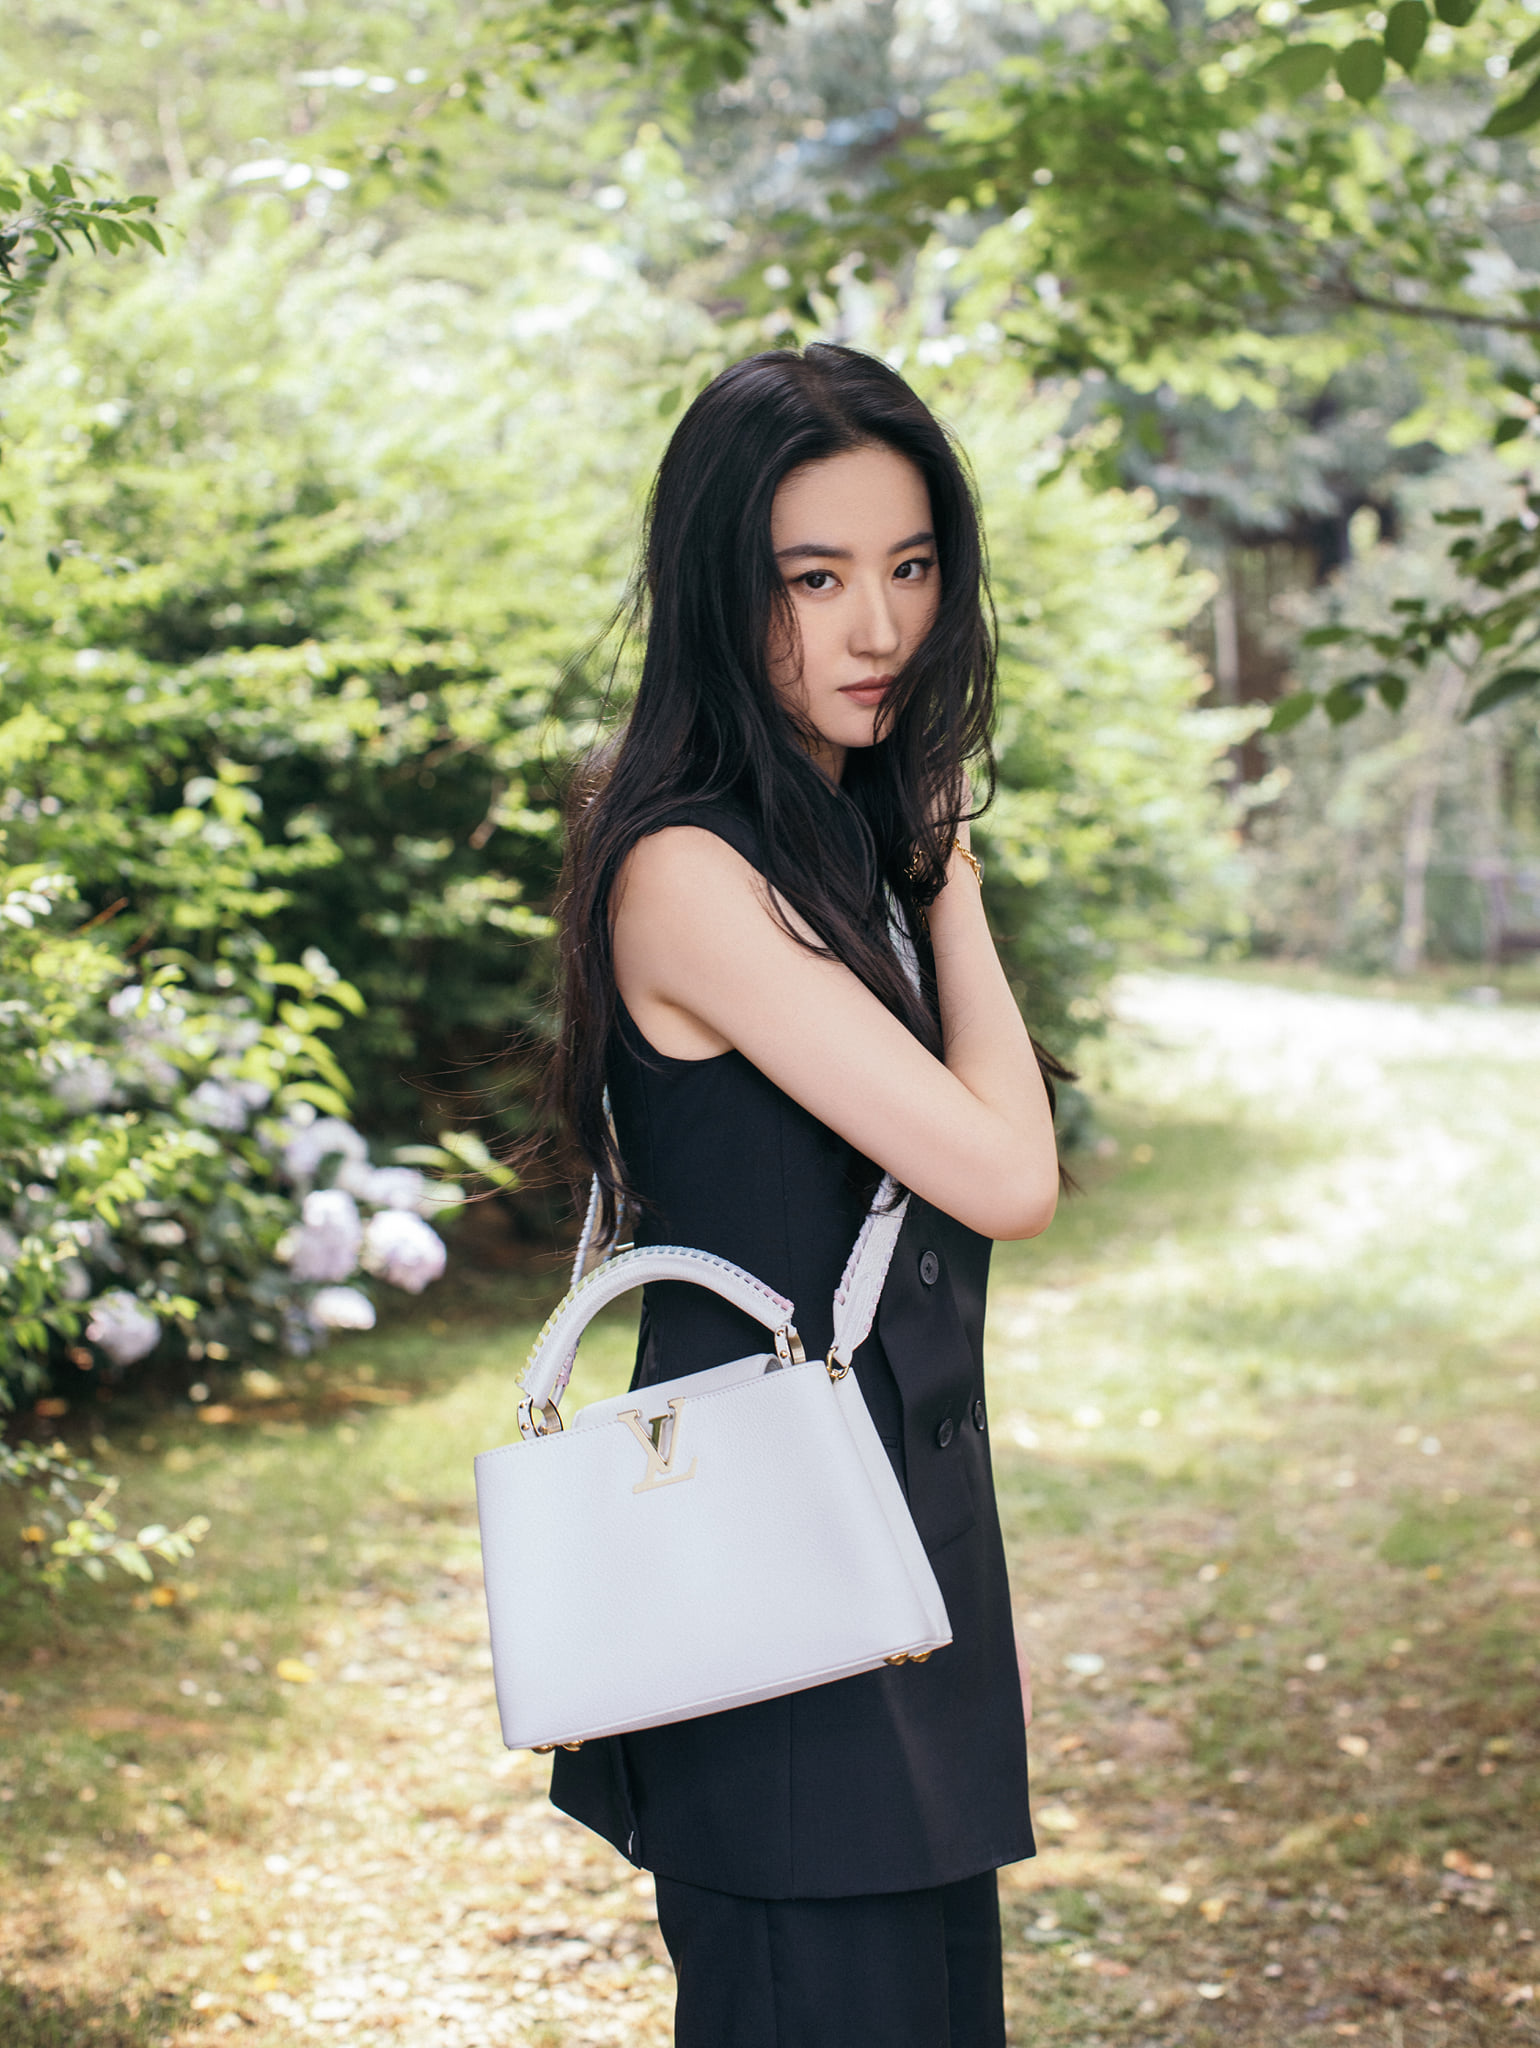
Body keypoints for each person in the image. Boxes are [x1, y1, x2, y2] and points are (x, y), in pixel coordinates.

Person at [545, 343, 1064, 2047]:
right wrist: (953, 870)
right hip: (770, 1604)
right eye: (815, 578)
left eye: (910, 568)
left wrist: (923, 854)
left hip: (890, 1570)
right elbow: (1008, 1172)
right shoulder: (692, 868)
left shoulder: (837, 841)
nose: (879, 628)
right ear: (720, 587)